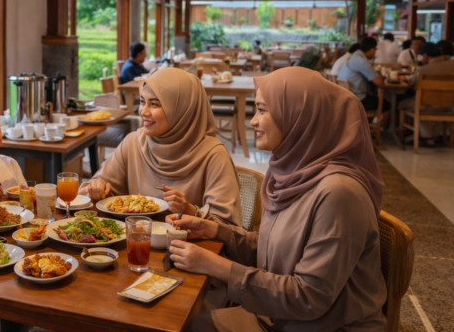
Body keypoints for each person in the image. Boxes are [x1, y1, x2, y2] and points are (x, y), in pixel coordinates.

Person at [168, 67, 386, 331]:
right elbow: (279, 248)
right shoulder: (293, 173)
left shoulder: (339, 194)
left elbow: (309, 296)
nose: (253, 121)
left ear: (299, 116)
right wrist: (216, 230)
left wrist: (217, 266)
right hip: (277, 317)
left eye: (262, 110)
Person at [79, 67, 242, 226]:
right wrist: (97, 188)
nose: (143, 111)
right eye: (143, 102)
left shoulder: (213, 154)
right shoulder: (134, 142)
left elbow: (227, 228)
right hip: (136, 242)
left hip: (188, 249)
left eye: (155, 104)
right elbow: (95, 190)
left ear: (182, 109)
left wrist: (191, 210)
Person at [399, 42, 454, 146]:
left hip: (425, 106)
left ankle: (425, 137)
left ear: (425, 56)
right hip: (450, 106)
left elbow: (411, 83)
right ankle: (435, 135)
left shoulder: (423, 70)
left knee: (403, 104)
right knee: (433, 102)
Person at [338, 37, 390, 118]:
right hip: (356, 99)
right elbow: (379, 82)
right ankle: (384, 130)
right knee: (386, 105)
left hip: (346, 97)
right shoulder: (362, 60)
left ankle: (367, 127)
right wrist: (379, 73)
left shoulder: (354, 56)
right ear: (372, 50)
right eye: (375, 50)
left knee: (374, 98)